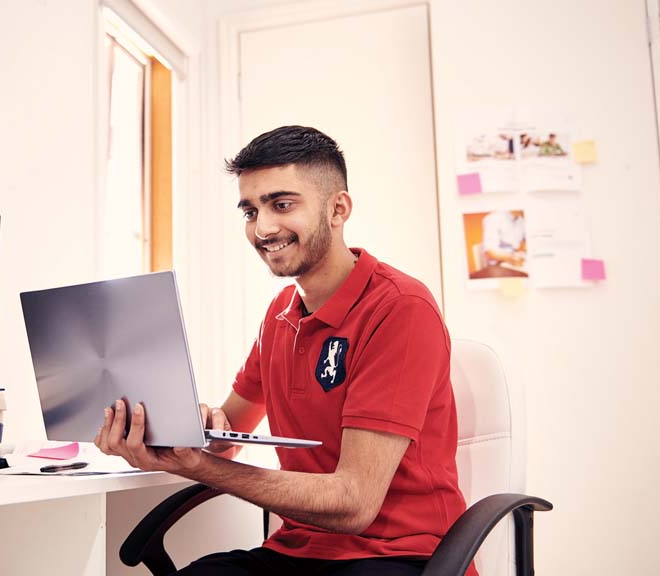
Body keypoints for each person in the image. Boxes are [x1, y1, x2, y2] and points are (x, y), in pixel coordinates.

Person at [96, 126, 475, 576]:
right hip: (298, 553)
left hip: (401, 556)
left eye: (281, 204)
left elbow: (355, 503)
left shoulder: (400, 309)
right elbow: (227, 437)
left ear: (338, 209)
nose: (263, 228)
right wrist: (178, 427)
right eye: (250, 211)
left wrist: (199, 467)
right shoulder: (281, 315)